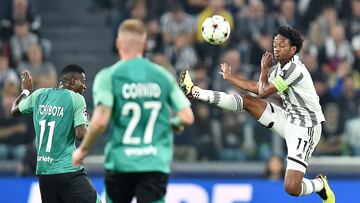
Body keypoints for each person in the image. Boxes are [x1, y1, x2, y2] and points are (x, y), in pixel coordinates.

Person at [178, 26, 335, 203]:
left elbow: (263, 91)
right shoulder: (279, 69)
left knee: (291, 187)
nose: (276, 48)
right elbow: (257, 88)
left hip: (306, 128)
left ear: (293, 49)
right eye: (275, 44)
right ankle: (196, 92)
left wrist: (263, 70)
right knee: (247, 101)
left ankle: (320, 185)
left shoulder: (294, 70)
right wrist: (231, 78)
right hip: (288, 119)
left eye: (282, 45)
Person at [72, 19, 194, 203]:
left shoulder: (109, 76)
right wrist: (173, 124)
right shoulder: (162, 75)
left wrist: (84, 149)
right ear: (145, 45)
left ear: (118, 43)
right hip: (154, 162)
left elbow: (100, 120)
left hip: (121, 162)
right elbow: (187, 116)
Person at [11, 65, 101, 203]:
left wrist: (26, 90)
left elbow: (15, 109)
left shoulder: (39, 95)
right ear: (71, 82)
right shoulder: (76, 98)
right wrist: (93, 125)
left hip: (44, 174)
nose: (84, 86)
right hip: (68, 170)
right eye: (82, 81)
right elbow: (81, 134)